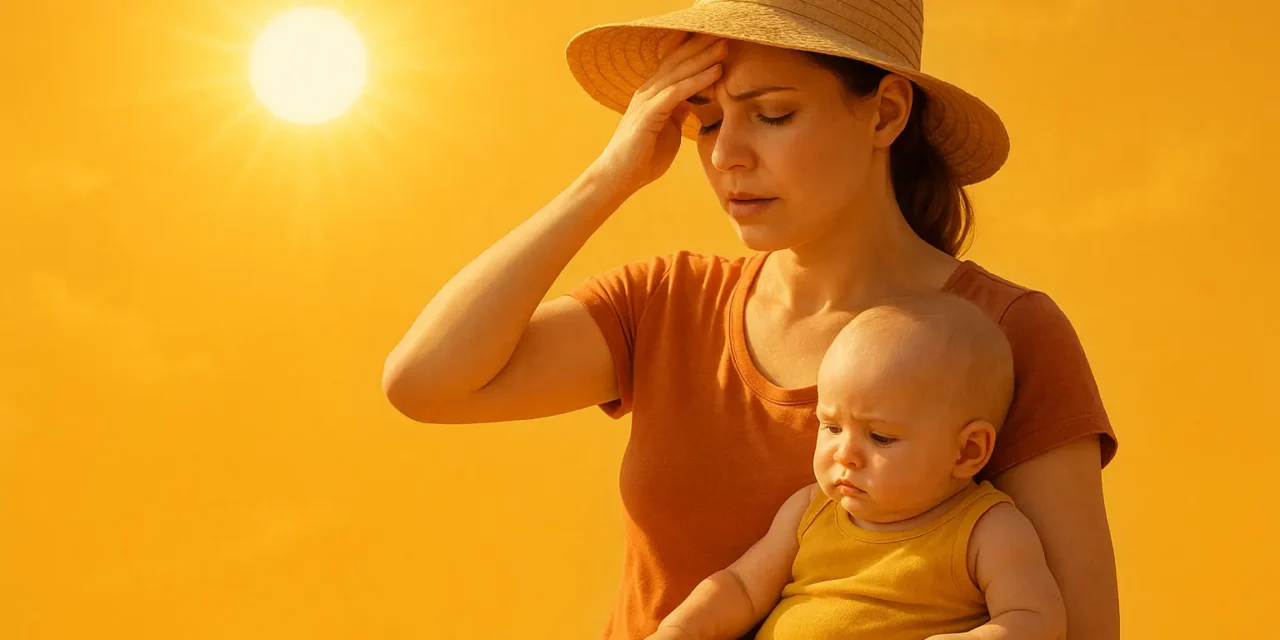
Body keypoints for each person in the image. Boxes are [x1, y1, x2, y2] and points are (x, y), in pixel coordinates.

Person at [381, 1, 1120, 638]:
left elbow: (1077, 629)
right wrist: (609, 176)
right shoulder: (667, 303)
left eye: (772, 114)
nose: (726, 155)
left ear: (886, 112)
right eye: (704, 121)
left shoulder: (1007, 333)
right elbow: (425, 383)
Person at [648, 294, 1065, 640]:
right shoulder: (809, 512)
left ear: (967, 452)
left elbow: (1035, 618)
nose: (844, 454)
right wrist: (683, 628)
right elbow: (741, 587)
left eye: (880, 437)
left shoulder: (985, 529)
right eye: (830, 427)